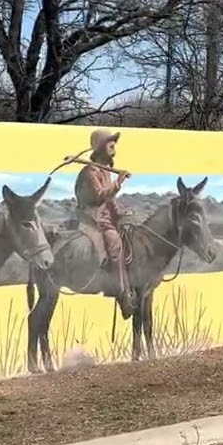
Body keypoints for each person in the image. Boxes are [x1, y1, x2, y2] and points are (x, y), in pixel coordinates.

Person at [74, 129, 135, 312]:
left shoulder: (105, 172)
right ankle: (121, 293)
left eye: (114, 143)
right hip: (92, 219)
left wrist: (123, 214)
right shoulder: (89, 173)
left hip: (106, 218)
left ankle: (128, 286)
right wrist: (118, 183)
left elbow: (111, 202)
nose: (113, 146)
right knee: (114, 241)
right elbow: (100, 196)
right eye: (110, 143)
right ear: (100, 147)